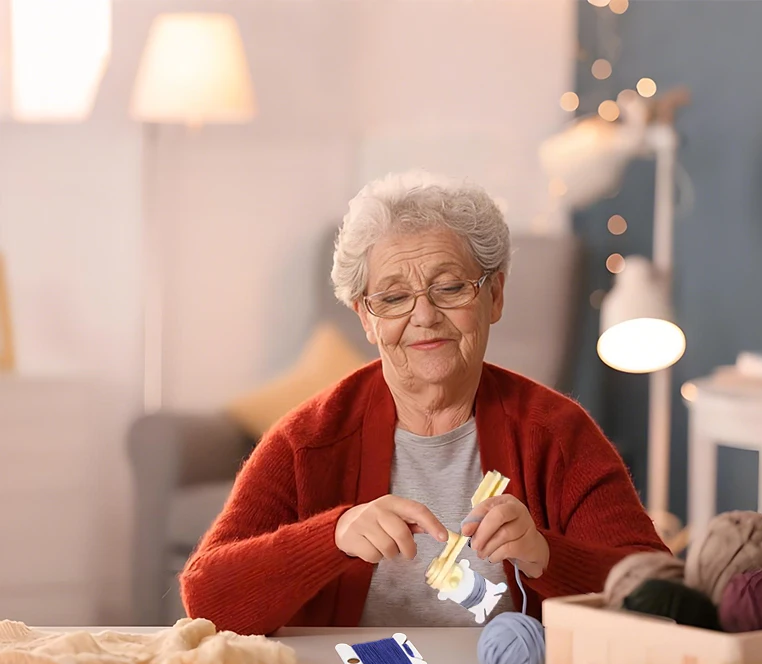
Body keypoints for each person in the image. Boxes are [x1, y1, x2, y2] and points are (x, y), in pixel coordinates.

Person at [180, 170, 669, 635]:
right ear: (367, 319)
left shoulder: (557, 433)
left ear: (494, 295)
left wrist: (545, 555)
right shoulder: (308, 440)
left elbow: (661, 595)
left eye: (450, 287)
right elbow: (205, 597)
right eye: (393, 298)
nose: (425, 316)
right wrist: (331, 537)